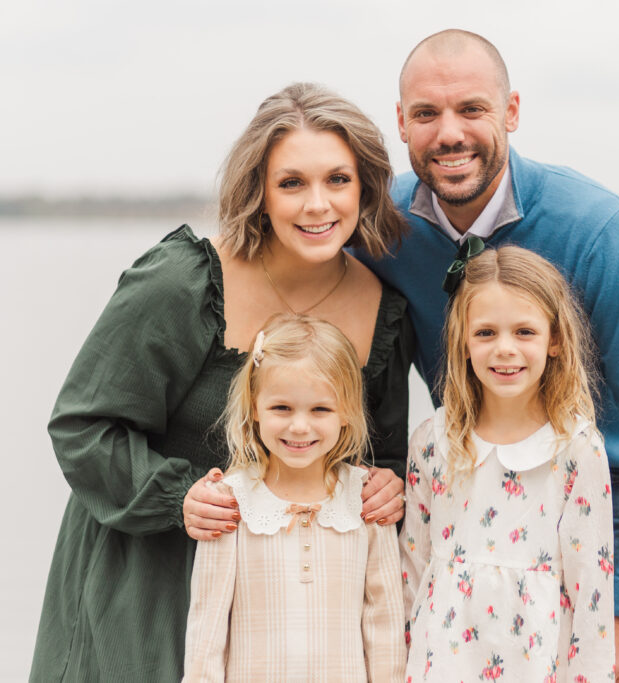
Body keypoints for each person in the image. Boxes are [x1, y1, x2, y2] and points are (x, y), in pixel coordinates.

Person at [31, 83, 411, 681]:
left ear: (365, 186)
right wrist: (176, 497)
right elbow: (82, 428)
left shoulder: (384, 311)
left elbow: (379, 456)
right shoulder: (182, 282)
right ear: (258, 191)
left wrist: (389, 489)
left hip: (282, 619)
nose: (318, 204)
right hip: (145, 582)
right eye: (291, 183)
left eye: (338, 179)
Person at [360, 30, 619, 682]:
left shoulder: (597, 229)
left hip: (580, 556)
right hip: (460, 553)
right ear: (401, 122)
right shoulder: (382, 227)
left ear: (511, 112)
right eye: (427, 114)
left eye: (473, 109)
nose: (449, 133)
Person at [402, 244, 615, 682]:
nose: (504, 349)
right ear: (463, 340)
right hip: (440, 661)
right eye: (485, 333)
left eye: (524, 332)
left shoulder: (576, 448)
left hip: (536, 664)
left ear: (554, 340)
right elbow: (412, 570)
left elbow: (592, 591)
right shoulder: (433, 442)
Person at [183, 313, 405, 681]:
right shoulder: (231, 501)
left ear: (347, 411)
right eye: (282, 408)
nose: (299, 426)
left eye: (320, 409)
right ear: (255, 407)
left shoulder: (365, 498)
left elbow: (385, 622)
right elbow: (207, 627)